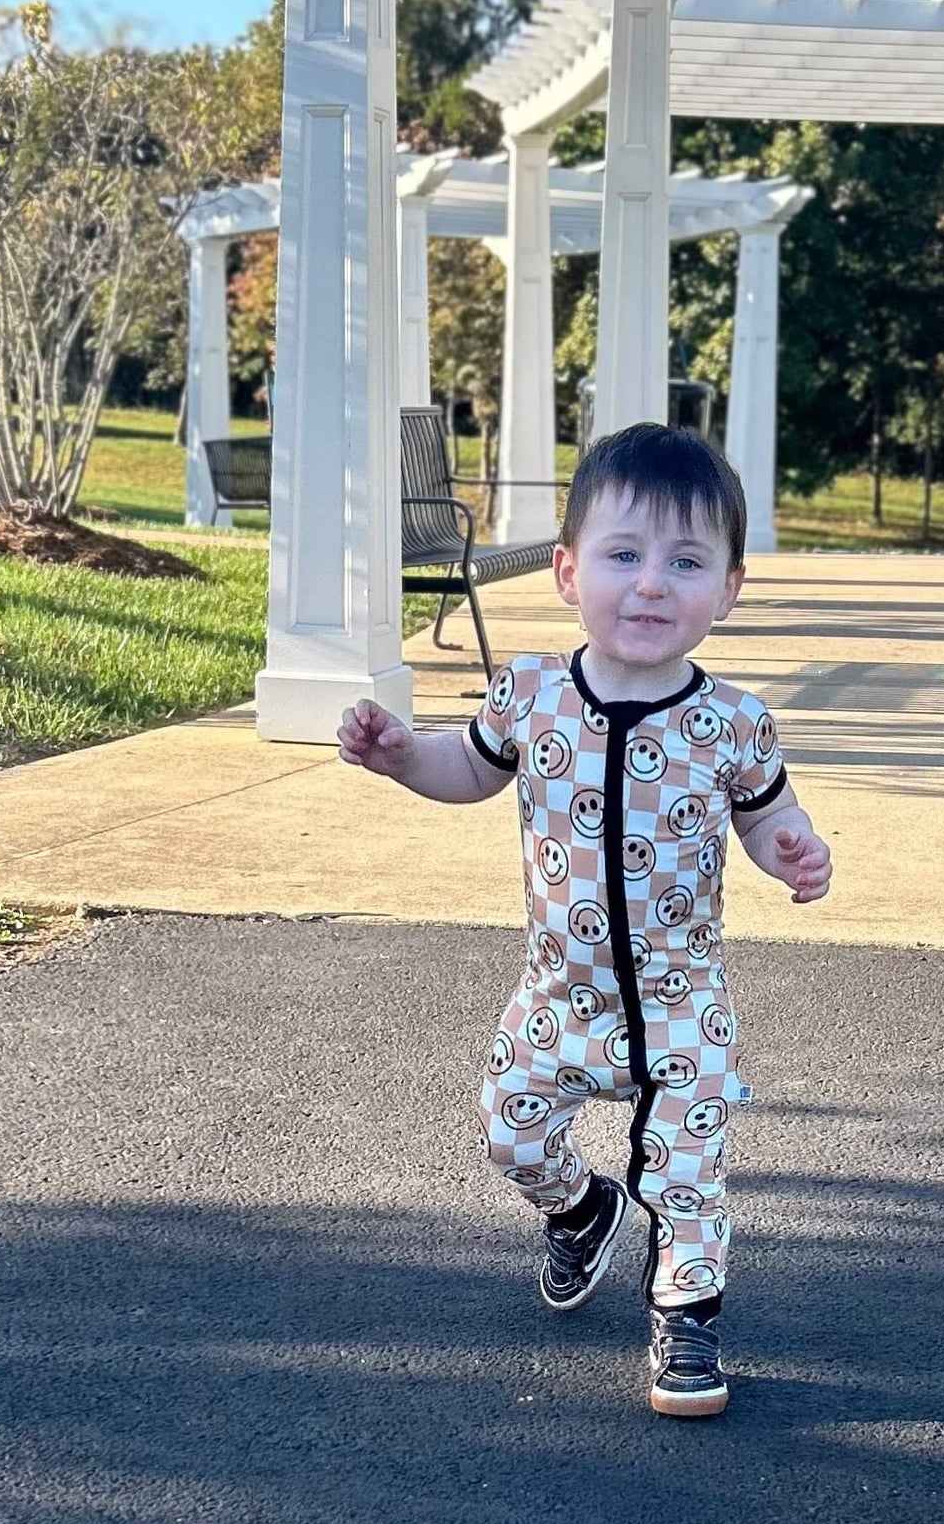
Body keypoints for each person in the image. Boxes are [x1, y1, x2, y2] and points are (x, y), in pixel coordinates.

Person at [337, 423, 831, 1418]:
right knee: (509, 1131)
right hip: (560, 994)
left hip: (681, 1000)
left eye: (686, 562)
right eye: (623, 555)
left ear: (727, 589)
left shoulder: (731, 721)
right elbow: (466, 772)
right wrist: (402, 758)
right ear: (567, 572)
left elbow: (767, 809)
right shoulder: (529, 696)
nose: (651, 584)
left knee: (687, 1168)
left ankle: (686, 1316)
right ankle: (578, 1207)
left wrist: (792, 848)